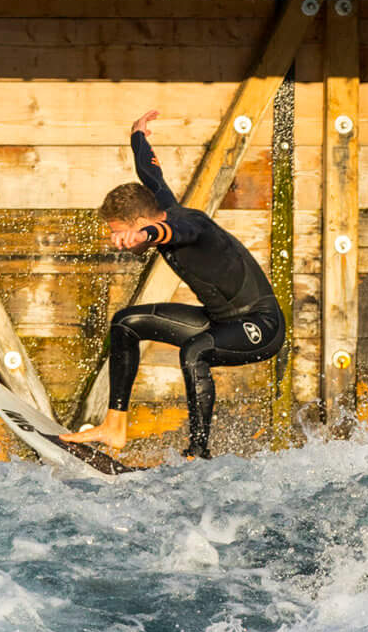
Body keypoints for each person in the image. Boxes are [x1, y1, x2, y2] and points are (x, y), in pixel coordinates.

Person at [74, 110, 286, 462]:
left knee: (194, 351)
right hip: (220, 321)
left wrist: (143, 235)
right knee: (126, 323)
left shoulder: (189, 225)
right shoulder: (161, 206)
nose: (115, 240)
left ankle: (198, 454)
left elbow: (172, 233)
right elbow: (149, 173)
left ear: (140, 222)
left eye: (117, 231)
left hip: (261, 325)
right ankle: (114, 426)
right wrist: (137, 136)